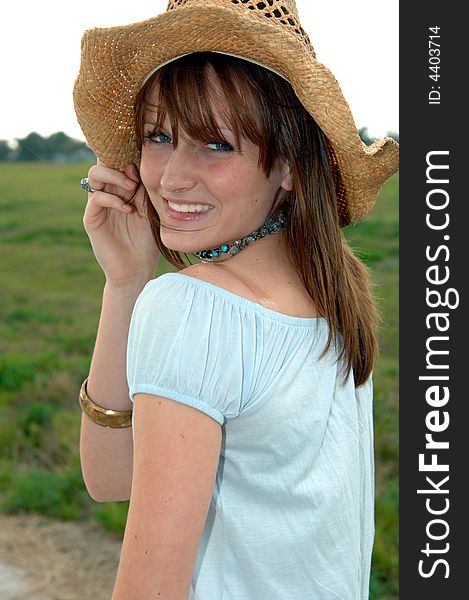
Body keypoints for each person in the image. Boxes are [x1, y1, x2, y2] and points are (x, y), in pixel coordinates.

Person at [73, 1, 399, 598]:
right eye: (159, 136)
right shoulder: (332, 291)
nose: (171, 177)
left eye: (215, 145)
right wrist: (126, 284)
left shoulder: (197, 308)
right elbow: (111, 477)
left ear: (292, 165)